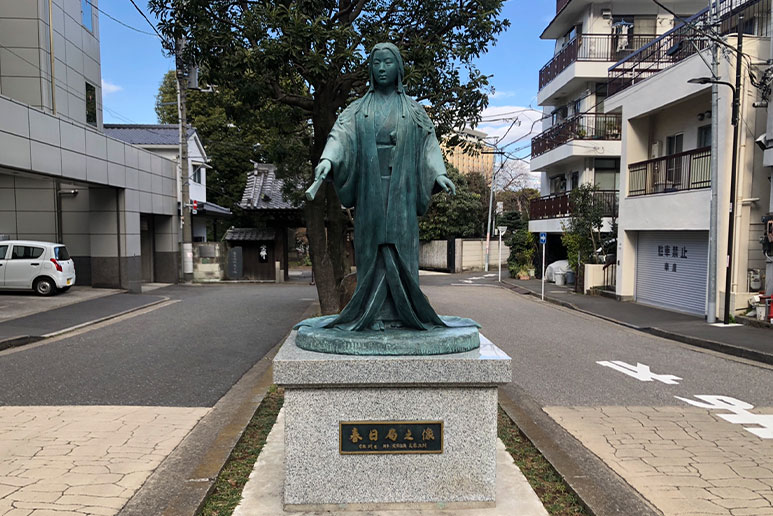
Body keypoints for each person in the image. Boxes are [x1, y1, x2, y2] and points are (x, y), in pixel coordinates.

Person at [304, 42, 476, 333]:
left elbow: (429, 145)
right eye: (376, 63)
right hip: (370, 193)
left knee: (402, 253)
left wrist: (438, 174)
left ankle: (403, 314)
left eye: (387, 63)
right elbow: (340, 137)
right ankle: (372, 316)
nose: (381, 68)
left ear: (399, 68)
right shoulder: (357, 110)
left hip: (403, 193)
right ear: (370, 69)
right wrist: (327, 161)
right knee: (371, 252)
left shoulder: (414, 110)